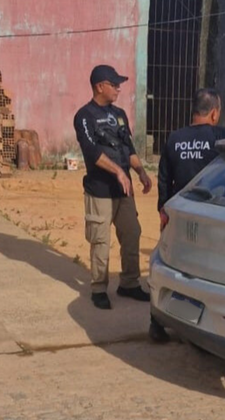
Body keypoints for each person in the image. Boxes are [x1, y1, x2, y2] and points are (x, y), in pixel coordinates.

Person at [73, 65, 153, 310]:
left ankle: (129, 283)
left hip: (123, 190)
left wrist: (140, 171)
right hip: (100, 190)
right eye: (114, 83)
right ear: (100, 86)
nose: (118, 88)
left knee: (132, 233)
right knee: (101, 241)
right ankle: (99, 288)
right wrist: (118, 171)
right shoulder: (84, 116)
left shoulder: (119, 114)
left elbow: (127, 148)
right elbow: (91, 151)